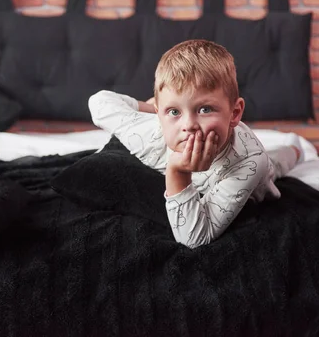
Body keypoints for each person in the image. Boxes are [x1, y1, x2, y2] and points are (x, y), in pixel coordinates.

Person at [89, 39, 304, 248]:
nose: (189, 125)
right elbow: (99, 102)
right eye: (174, 111)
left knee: (274, 164)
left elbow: (194, 238)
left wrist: (177, 173)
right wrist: (148, 106)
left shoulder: (249, 162)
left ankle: (294, 149)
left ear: (235, 113)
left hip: (255, 176)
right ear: (159, 114)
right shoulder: (150, 132)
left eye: (205, 109)